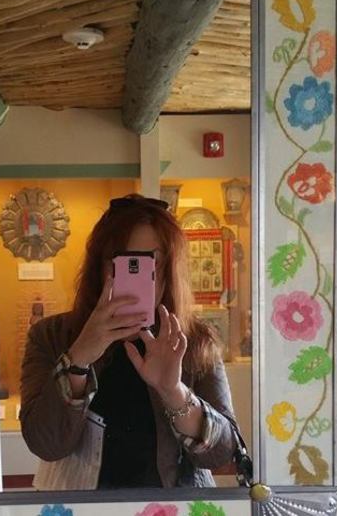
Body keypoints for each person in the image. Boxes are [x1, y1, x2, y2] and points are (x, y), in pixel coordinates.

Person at [19, 194, 240, 490]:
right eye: (123, 261)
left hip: (173, 506)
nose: (137, 274)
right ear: (100, 267)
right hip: (82, 508)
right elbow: (45, 444)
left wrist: (173, 391)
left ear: (169, 270)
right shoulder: (51, 336)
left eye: (151, 262)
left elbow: (222, 453)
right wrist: (78, 358)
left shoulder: (193, 340)